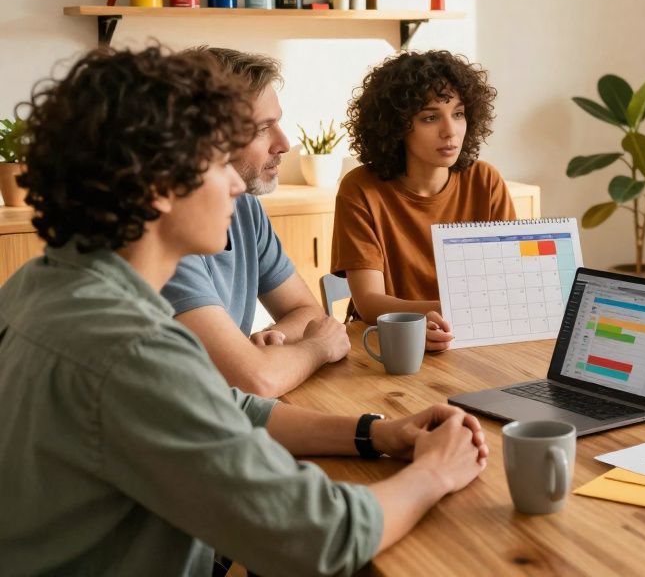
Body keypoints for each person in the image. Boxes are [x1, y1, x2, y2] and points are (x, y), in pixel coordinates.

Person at [0, 46, 488, 575]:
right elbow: (313, 536)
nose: (236, 183)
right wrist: (435, 473)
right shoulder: (131, 350)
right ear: (162, 185)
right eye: (217, 161)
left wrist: (378, 433)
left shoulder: (41, 284)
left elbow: (219, 406)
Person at [161, 47, 349, 398]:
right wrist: (315, 348)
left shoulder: (245, 207)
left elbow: (305, 311)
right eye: (264, 128)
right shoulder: (170, 235)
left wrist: (276, 340)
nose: (284, 143)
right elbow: (252, 381)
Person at [334, 50, 515, 350]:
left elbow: (507, 285)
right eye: (430, 117)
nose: (450, 131)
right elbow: (368, 302)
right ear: (396, 126)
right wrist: (444, 313)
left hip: (473, 343)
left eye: (458, 114)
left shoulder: (486, 182)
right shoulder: (360, 190)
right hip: (389, 346)